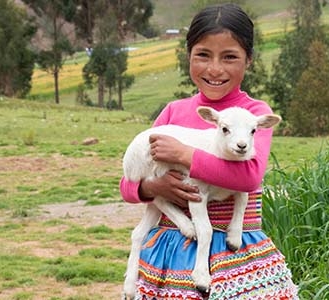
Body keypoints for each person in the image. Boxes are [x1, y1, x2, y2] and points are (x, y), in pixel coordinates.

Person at [120, 3, 299, 299]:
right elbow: (127, 186)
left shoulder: (255, 114)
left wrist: (183, 155)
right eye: (203, 55)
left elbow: (249, 178)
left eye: (229, 57)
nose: (215, 69)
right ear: (188, 56)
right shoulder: (173, 114)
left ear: (248, 60)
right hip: (170, 250)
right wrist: (153, 187)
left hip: (237, 254)